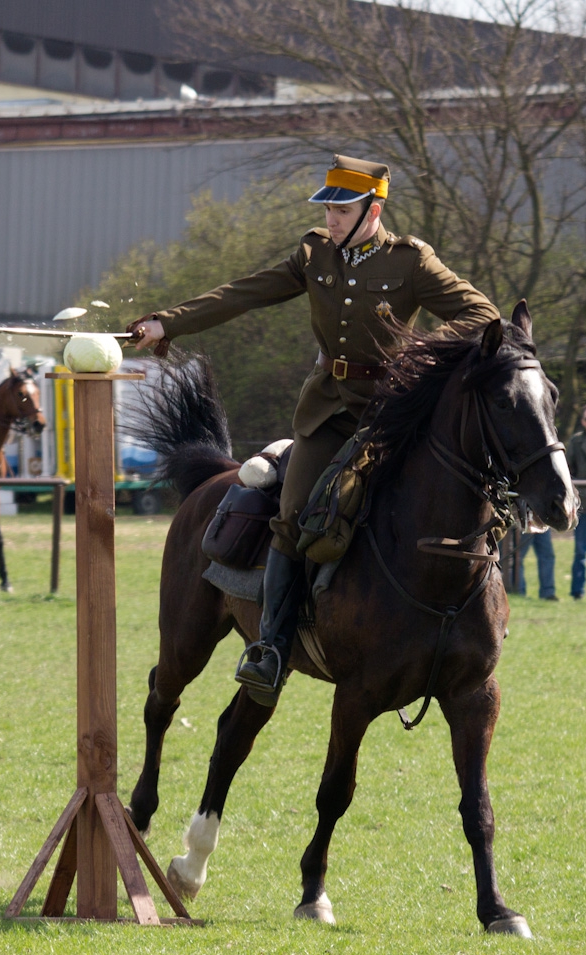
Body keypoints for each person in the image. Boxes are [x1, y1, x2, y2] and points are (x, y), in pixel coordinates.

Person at [128, 154, 499, 704]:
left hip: (393, 414)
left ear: (373, 210)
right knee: (294, 514)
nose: (331, 220)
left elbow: (484, 314)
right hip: (328, 410)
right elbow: (244, 292)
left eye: (342, 210)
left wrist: (422, 356)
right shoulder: (313, 254)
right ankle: (272, 646)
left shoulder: (411, 260)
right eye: (327, 209)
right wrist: (167, 322)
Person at [566, 402, 586, 600]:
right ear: (583, 422)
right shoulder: (576, 442)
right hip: (585, 500)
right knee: (580, 549)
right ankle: (578, 592)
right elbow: (567, 470)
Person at [517, 530, 558, 600]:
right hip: (526, 523)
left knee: (547, 556)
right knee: (517, 557)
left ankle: (548, 593)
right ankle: (519, 591)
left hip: (542, 523)